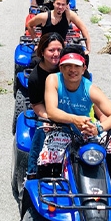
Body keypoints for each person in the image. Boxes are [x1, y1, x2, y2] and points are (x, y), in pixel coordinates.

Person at [39, 46, 111, 173]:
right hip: (60, 128)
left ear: (83, 68)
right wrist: (74, 119)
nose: (72, 70)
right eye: (68, 65)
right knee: (47, 165)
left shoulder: (90, 88)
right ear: (61, 67)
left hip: (88, 130)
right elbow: (52, 111)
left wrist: (98, 129)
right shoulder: (53, 80)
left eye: (77, 66)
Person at [26, 33, 65, 176]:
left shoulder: (67, 69)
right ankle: (32, 172)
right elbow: (36, 103)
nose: (56, 54)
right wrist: (48, 117)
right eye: (51, 50)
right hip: (46, 111)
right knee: (42, 131)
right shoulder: (35, 77)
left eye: (59, 50)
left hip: (67, 109)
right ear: (42, 51)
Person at [27, 0, 91, 52]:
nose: (60, 7)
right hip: (45, 47)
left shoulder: (69, 15)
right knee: (35, 61)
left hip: (61, 48)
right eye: (58, 4)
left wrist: (88, 48)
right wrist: (36, 42)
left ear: (67, 5)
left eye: (63, 5)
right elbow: (29, 25)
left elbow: (83, 28)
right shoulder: (44, 17)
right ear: (54, 3)